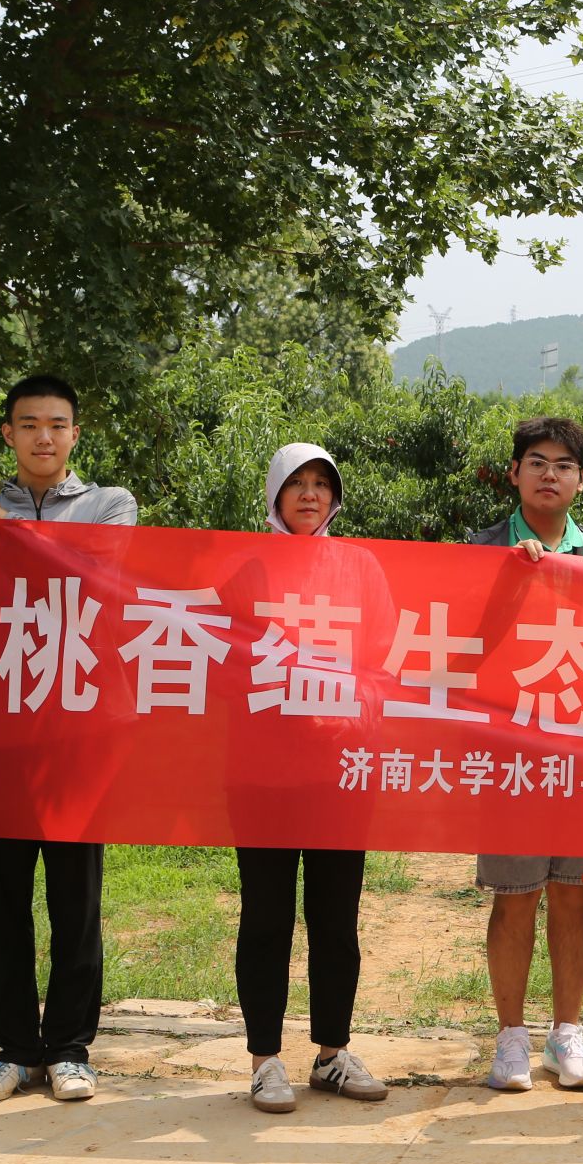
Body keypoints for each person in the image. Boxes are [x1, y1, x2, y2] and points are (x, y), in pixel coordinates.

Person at [0, 374, 136, 1103]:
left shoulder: (110, 506)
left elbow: (101, 575)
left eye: (57, 424)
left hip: (77, 742)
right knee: (3, 903)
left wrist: (12, 533)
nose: (44, 437)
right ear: (8, 434)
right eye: (29, 424)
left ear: (75, 434)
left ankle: (71, 1047)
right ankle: (14, 1048)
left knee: (76, 902)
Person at [468, 416, 583, 1092]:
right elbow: (461, 637)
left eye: (564, 465)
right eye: (537, 462)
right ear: (514, 473)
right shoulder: (481, 548)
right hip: (510, 751)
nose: (549, 474)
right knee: (514, 896)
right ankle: (510, 1038)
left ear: (581, 480)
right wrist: (506, 578)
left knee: (574, 894)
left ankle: (567, 1033)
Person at [238, 444, 388, 1114]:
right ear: (275, 494)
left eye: (322, 483)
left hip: (340, 770)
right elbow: (222, 656)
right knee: (265, 916)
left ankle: (332, 1053)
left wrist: (358, 709)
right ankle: (264, 1060)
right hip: (261, 771)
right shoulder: (248, 566)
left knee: (336, 917)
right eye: (296, 482)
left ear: (335, 497)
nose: (309, 494)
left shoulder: (359, 566)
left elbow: (383, 653)